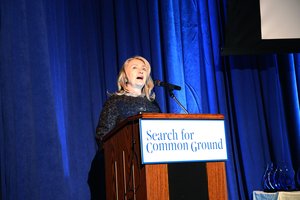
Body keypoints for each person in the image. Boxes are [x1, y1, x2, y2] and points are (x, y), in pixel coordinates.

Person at [88, 56, 161, 200]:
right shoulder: (115, 101)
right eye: (135, 68)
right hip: (118, 170)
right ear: (124, 77)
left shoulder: (153, 105)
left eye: (144, 69)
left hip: (148, 169)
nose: (141, 71)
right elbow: (103, 136)